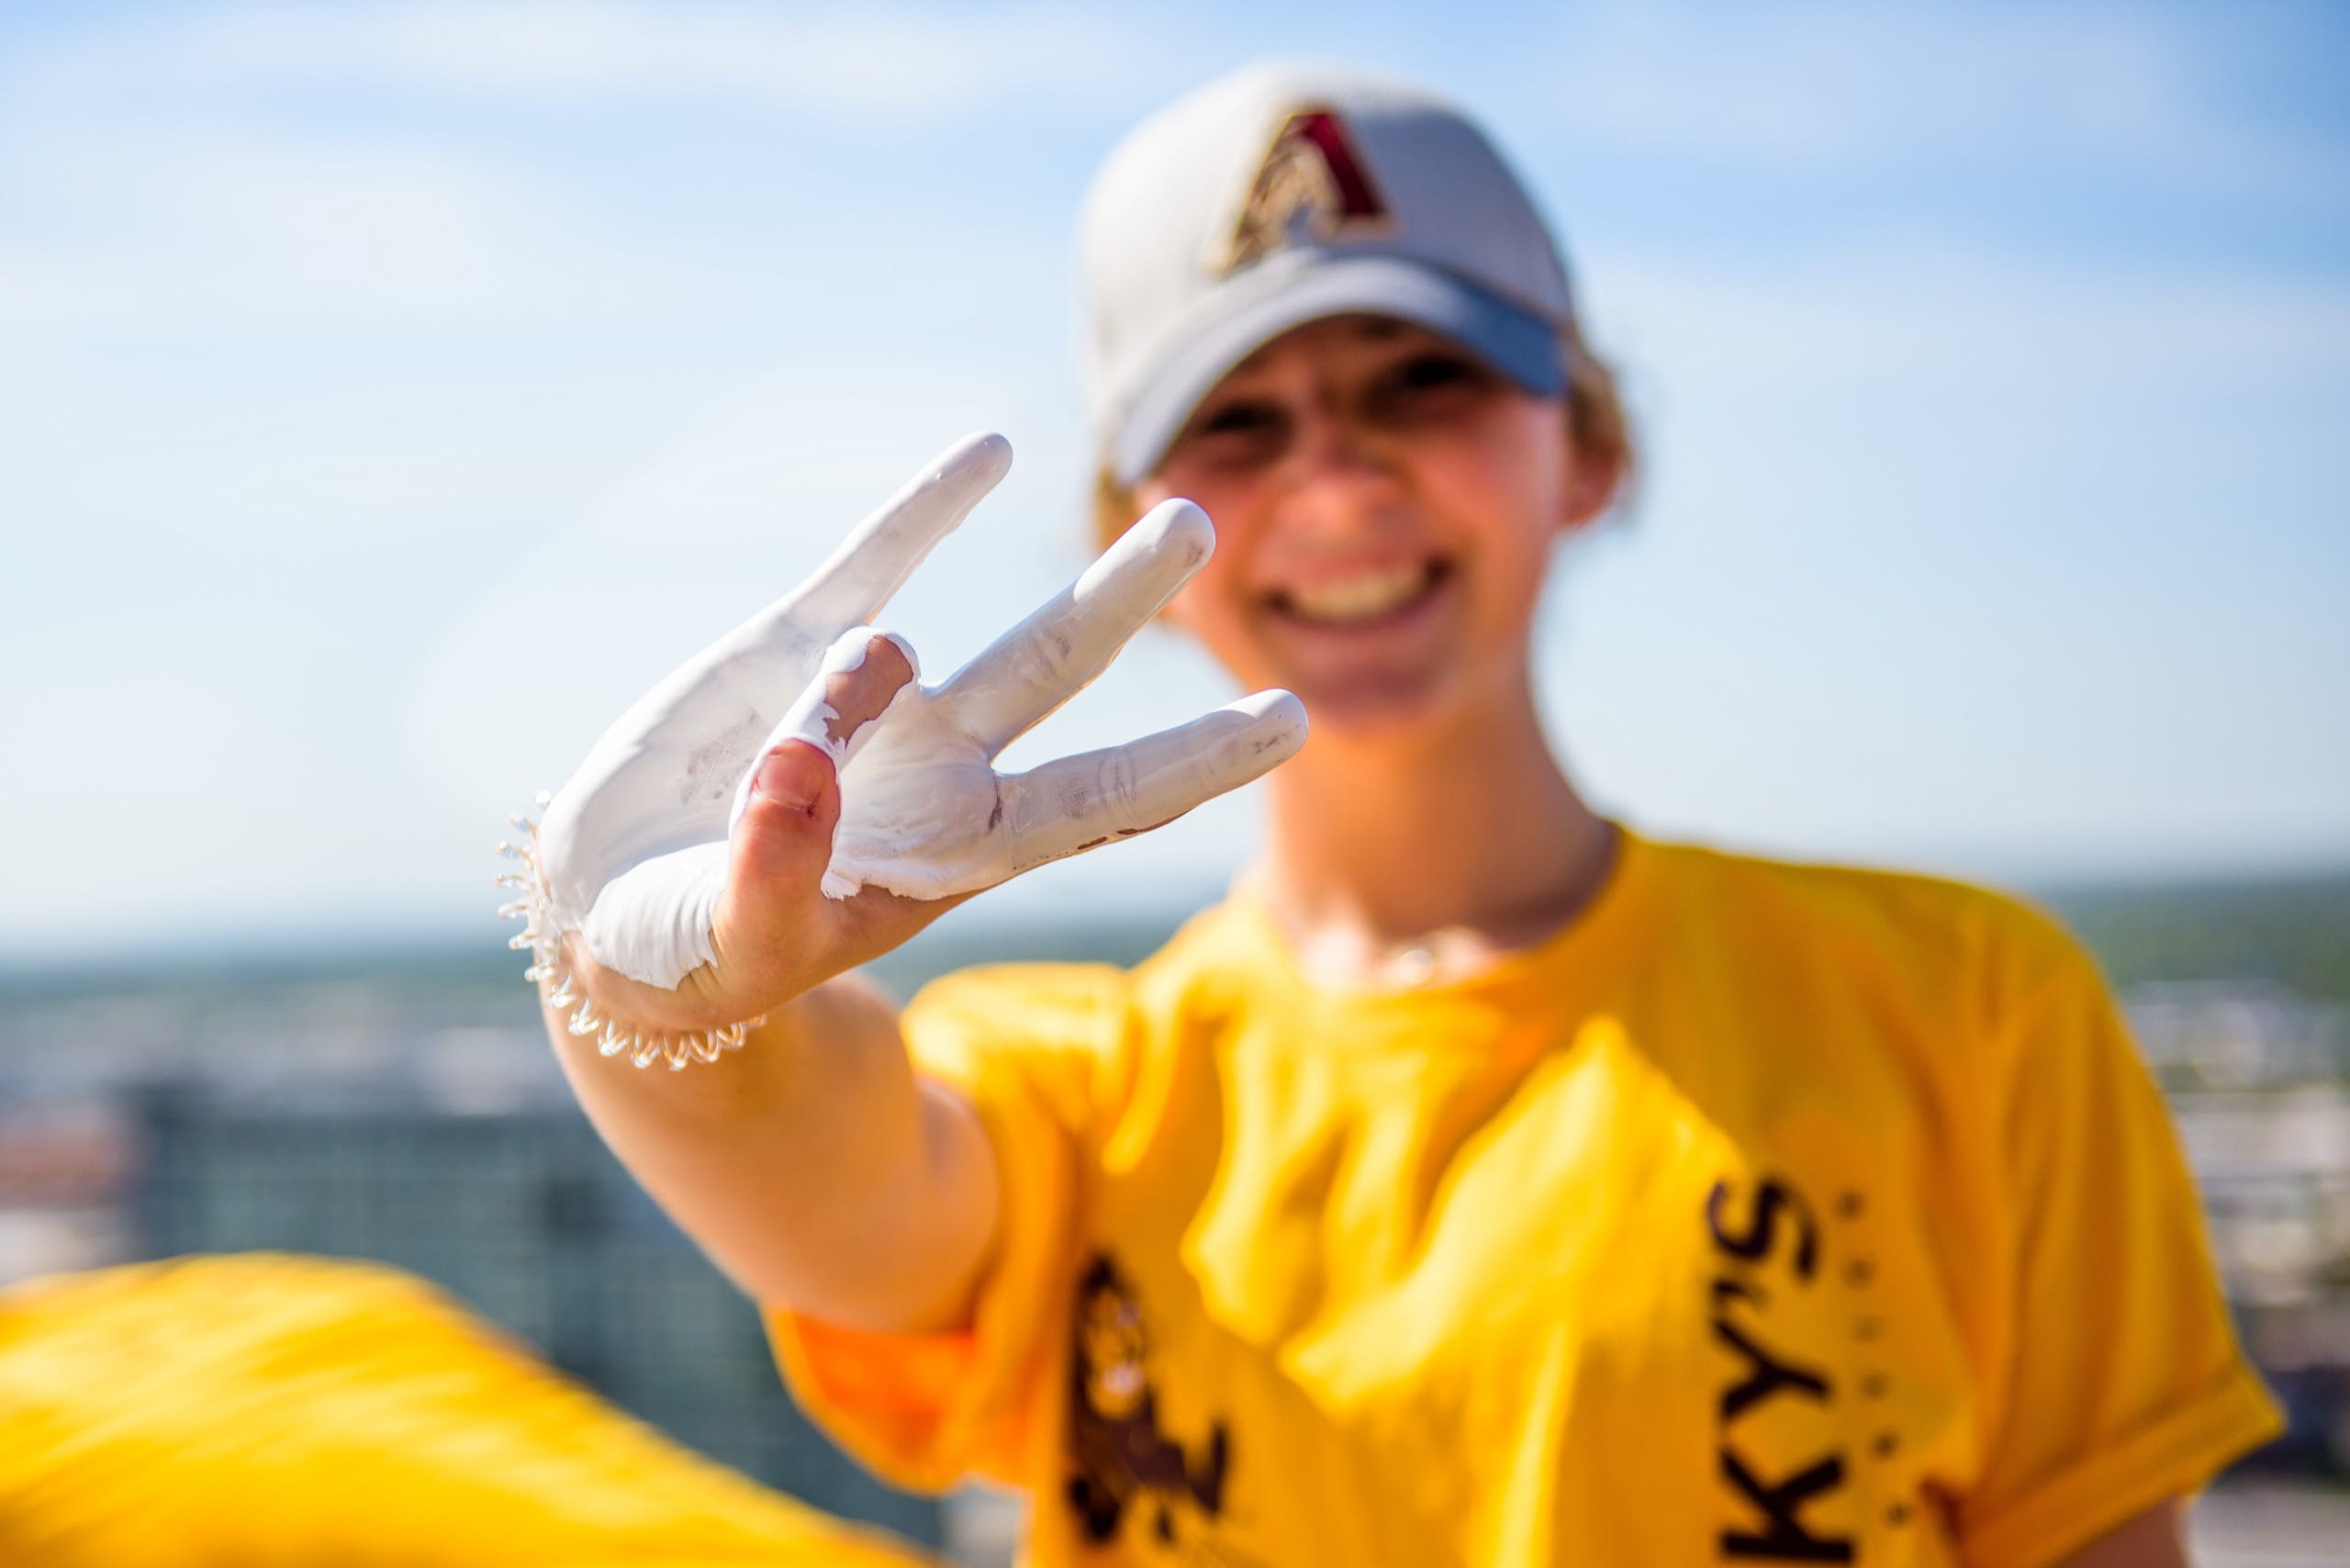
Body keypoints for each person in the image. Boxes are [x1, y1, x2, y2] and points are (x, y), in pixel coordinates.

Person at [529, 62, 2280, 1567]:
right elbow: (844, 1176)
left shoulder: (1969, 1011)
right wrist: (647, 993)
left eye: (1419, 383)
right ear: (1135, 537)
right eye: (1240, 423)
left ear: (1584, 447)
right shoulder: (1085, 1082)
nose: (1337, 480)